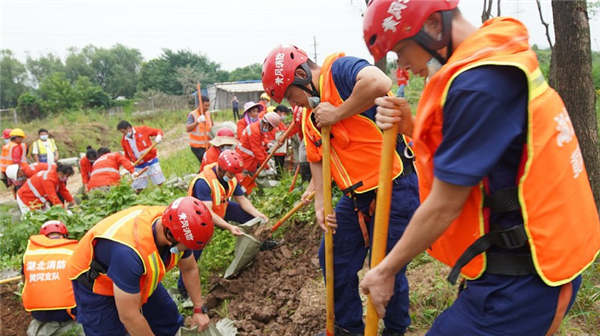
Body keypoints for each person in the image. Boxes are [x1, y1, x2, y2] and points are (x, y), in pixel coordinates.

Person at [360, 1, 600, 335]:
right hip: (518, 265)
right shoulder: (496, 56)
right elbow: (489, 148)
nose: (403, 65)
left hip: (526, 281)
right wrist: (412, 126)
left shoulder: (480, 83)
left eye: (401, 50)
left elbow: (444, 204)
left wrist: (386, 269)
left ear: (432, 25)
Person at [262, 44, 420, 336]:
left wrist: (337, 113)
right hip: (355, 197)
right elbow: (317, 158)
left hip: (394, 186)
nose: (294, 104)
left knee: (387, 267)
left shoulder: (340, 72)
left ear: (300, 74)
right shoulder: (310, 114)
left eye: (290, 95)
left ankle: (395, 329)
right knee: (333, 256)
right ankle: (348, 327)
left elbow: (379, 82)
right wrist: (321, 205)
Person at [67, 197, 214, 335]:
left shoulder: (174, 223)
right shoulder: (129, 254)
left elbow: (189, 269)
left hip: (131, 273)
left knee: (167, 319)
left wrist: (199, 309)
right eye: (187, 246)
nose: (188, 250)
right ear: (171, 237)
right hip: (96, 283)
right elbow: (129, 316)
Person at [21, 220, 82, 336]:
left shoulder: (31, 254)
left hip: (40, 315)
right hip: (69, 314)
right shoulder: (72, 251)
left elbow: (24, 281)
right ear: (64, 235)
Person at [117, 120, 165, 192]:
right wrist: (127, 167)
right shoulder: (124, 141)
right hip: (138, 164)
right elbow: (127, 156)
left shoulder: (142, 130)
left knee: (159, 181)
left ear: (129, 128)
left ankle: (164, 193)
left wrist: (159, 136)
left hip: (151, 160)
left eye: (124, 132)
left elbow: (157, 131)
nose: (123, 134)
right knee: (138, 186)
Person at [237, 111, 281, 176]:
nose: (271, 130)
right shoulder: (255, 131)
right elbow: (257, 151)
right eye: (271, 128)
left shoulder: (258, 128)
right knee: (244, 182)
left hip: (247, 159)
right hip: (245, 160)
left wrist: (267, 159)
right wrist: (267, 167)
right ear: (267, 124)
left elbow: (260, 147)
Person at [187, 95, 213, 164]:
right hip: (197, 146)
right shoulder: (192, 115)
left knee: (207, 162)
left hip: (207, 145)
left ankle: (201, 173)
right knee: (206, 162)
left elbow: (212, 127)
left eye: (208, 106)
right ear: (200, 105)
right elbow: (188, 128)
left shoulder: (208, 114)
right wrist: (198, 121)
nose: (207, 108)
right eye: (205, 106)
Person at [272, 105, 291, 173]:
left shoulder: (281, 123)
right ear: (279, 112)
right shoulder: (274, 122)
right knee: (278, 166)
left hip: (281, 149)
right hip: (277, 149)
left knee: (281, 166)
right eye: (284, 113)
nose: (285, 115)